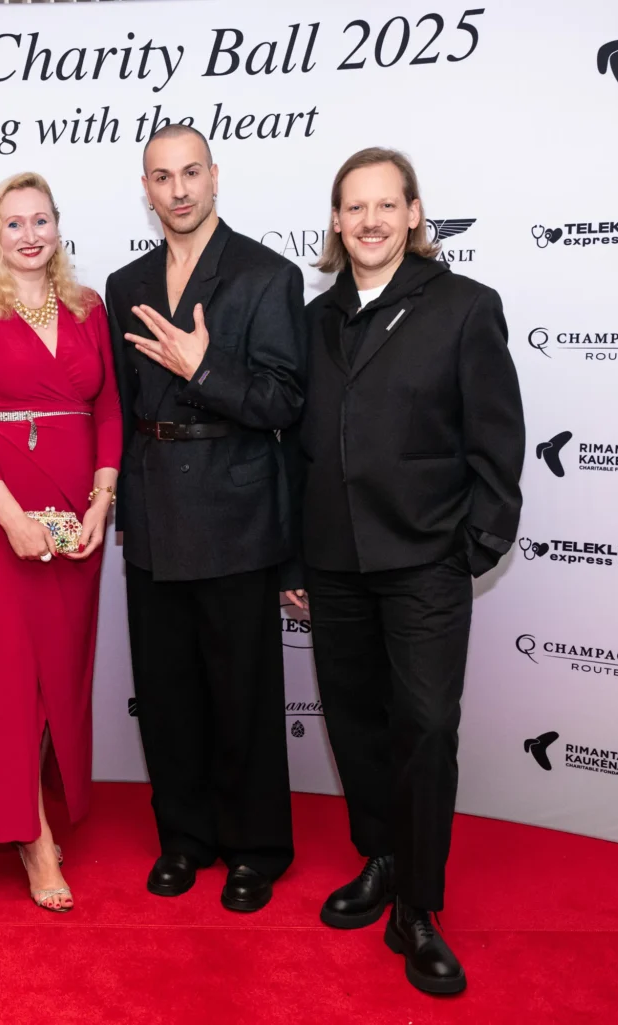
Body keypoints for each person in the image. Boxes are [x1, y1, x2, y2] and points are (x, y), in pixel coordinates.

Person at [286, 147, 524, 995]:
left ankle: (418, 907)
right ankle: (381, 857)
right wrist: (296, 556)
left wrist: (472, 548)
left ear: (415, 214)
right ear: (336, 221)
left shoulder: (465, 307)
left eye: (387, 205)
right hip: (334, 564)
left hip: (426, 562)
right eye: (355, 207)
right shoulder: (313, 319)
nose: (371, 221)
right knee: (356, 723)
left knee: (424, 729)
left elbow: (497, 441)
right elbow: (297, 448)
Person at [105, 125, 306, 913]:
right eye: (163, 177)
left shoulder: (266, 274)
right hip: (155, 510)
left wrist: (204, 368)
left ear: (215, 176)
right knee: (166, 690)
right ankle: (184, 837)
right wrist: (124, 505)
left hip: (236, 505)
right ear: (146, 188)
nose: (179, 189)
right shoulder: (126, 283)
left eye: (191, 172)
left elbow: (284, 401)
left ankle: (256, 846)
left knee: (242, 691)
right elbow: (123, 408)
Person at [0, 172, 121, 912]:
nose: (29, 235)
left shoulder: (88, 306)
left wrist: (103, 501)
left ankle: (35, 798)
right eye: (13, 223)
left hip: (79, 510)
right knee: (8, 672)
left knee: (61, 669)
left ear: (57, 226)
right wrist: (11, 517)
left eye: (41, 219)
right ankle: (31, 833)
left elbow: (109, 410)